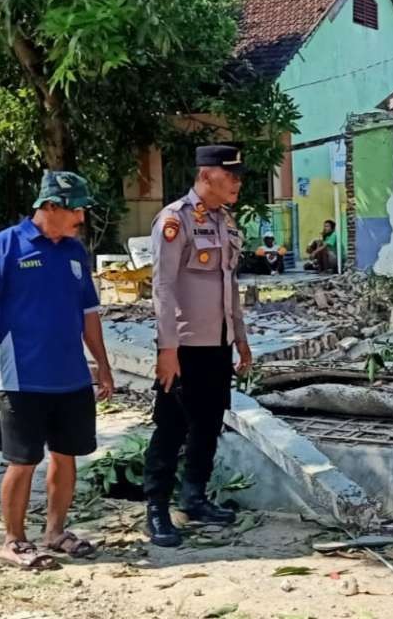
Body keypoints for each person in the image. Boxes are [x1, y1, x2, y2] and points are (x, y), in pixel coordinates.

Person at [0, 171, 115, 570]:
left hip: (72, 377)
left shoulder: (74, 252)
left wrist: (102, 365)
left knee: (66, 457)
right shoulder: (3, 247)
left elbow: (89, 315)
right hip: (22, 378)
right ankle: (13, 540)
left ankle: (55, 531)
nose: (80, 218)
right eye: (76, 209)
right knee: (22, 461)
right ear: (49, 206)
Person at [144, 144, 253, 547]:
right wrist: (166, 349)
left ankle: (194, 497)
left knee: (208, 423)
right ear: (206, 176)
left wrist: (240, 339)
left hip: (218, 345)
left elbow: (230, 286)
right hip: (184, 346)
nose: (238, 182)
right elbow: (164, 287)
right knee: (171, 427)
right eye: (231, 175)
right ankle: (156, 508)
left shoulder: (226, 221)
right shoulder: (175, 220)